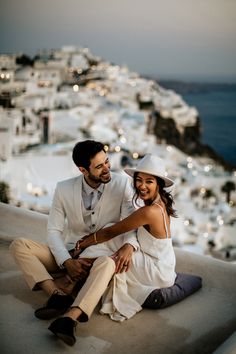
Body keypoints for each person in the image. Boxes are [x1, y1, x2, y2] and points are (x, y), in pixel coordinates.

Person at [47, 153, 177, 345]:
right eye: (139, 180)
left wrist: (83, 243)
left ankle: (69, 285)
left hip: (156, 269)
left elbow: (113, 231)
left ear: (159, 184)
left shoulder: (149, 211)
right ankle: (71, 285)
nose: (142, 185)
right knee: (111, 247)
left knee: (109, 254)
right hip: (163, 262)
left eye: (149, 181)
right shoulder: (159, 203)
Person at [10, 140, 139, 323]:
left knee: (108, 265)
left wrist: (129, 245)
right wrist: (67, 261)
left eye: (107, 161)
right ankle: (56, 295)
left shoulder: (121, 184)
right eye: (99, 166)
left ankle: (72, 314)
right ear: (83, 170)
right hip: (70, 252)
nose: (107, 168)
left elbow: (130, 223)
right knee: (19, 245)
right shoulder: (64, 189)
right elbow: (54, 231)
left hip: (99, 256)